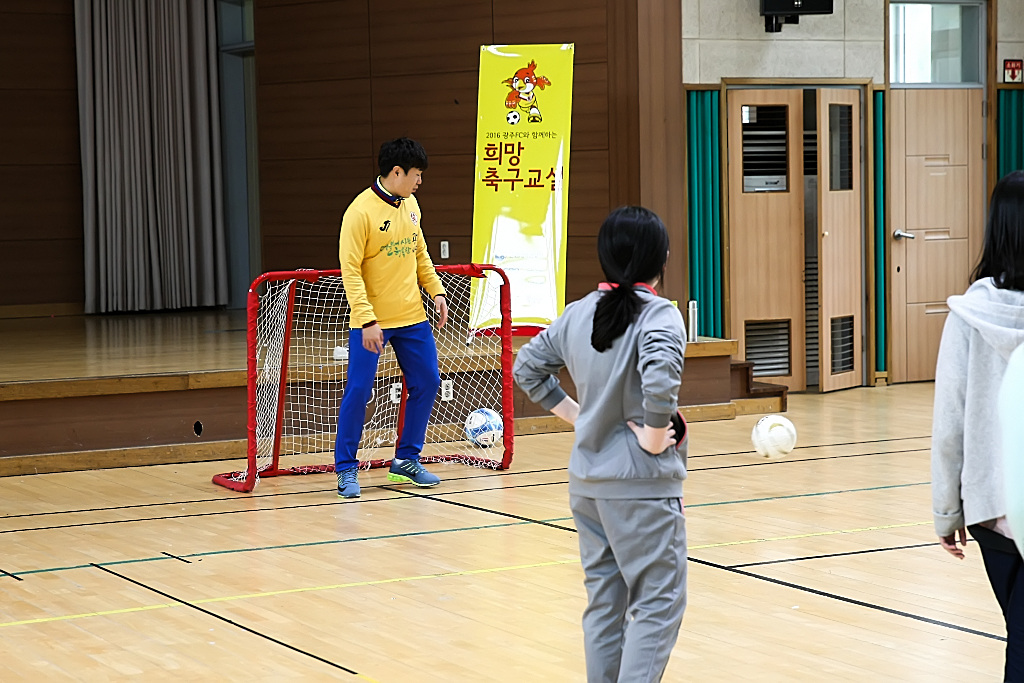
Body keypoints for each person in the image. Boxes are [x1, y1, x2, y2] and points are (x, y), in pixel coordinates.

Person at [513, 206, 688, 683]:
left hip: (588, 484)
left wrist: (577, 416)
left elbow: (526, 368)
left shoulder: (576, 314)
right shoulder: (661, 316)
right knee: (658, 602)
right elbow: (661, 380)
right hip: (641, 488)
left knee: (605, 605)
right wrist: (654, 436)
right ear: (662, 258)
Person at [932, 170, 1024, 680]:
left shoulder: (968, 315)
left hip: (992, 506)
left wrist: (947, 511)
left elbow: (951, 422)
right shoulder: (966, 315)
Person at [334, 138, 447, 498]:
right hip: (372, 323)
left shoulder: (411, 205)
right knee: (359, 391)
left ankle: (406, 461)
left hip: (412, 317)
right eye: (416, 175)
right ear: (396, 172)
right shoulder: (359, 212)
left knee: (428, 381)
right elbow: (350, 271)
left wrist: (437, 291)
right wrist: (366, 320)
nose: (419, 182)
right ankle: (346, 469)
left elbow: (420, 253)